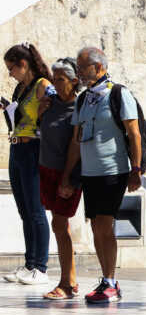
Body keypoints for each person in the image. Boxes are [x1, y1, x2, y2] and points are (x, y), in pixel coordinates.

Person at [59, 46, 142, 304]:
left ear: (100, 67)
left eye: (84, 67)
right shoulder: (84, 99)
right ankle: (106, 280)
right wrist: (67, 175)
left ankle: (111, 281)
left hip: (113, 170)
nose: (81, 73)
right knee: (96, 226)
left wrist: (136, 169)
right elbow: (76, 141)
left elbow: (134, 134)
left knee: (105, 225)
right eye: (80, 68)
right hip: (89, 172)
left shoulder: (118, 94)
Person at [2, 43, 52, 286]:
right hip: (16, 147)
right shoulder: (19, 89)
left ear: (24, 64)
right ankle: (30, 263)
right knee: (24, 211)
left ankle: (40, 266)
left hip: (34, 149)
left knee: (36, 209)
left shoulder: (43, 85)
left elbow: (51, 117)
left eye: (11, 68)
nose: (10, 74)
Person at [38, 58, 83, 299]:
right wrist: (40, 112)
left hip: (66, 173)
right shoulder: (50, 102)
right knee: (59, 225)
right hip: (47, 170)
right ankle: (71, 280)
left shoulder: (80, 108)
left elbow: (76, 146)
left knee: (59, 225)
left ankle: (66, 284)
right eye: (53, 79)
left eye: (60, 80)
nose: (54, 84)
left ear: (75, 81)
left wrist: (68, 178)